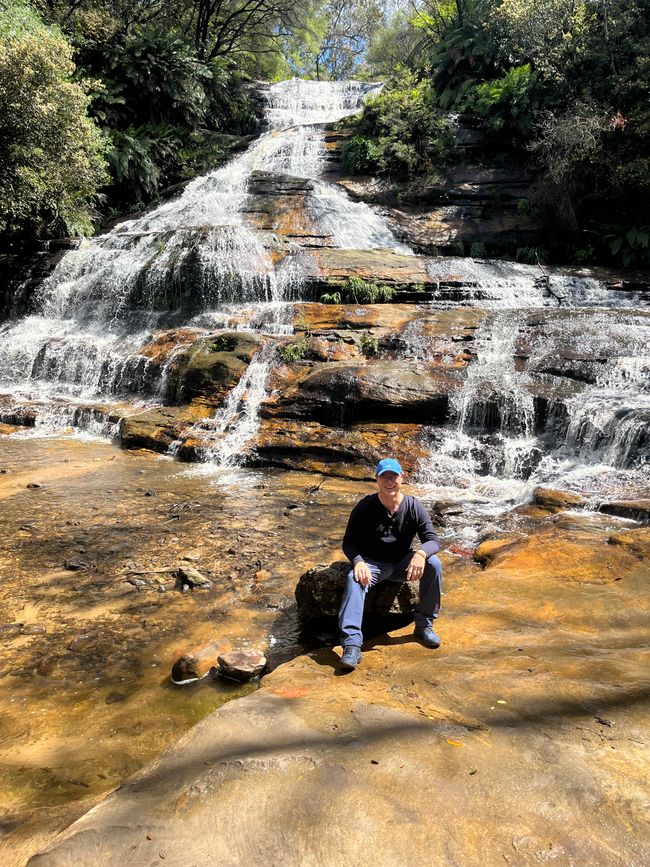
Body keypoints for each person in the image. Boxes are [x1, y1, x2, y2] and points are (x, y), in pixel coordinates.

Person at [338, 457, 442, 671]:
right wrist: (358, 562)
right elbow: (348, 542)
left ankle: (423, 626)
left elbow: (433, 540)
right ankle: (351, 644)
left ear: (401, 478)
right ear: (377, 479)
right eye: (384, 477)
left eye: (393, 477)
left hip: (402, 563)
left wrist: (420, 554)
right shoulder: (365, 506)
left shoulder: (414, 506)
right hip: (373, 565)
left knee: (434, 563)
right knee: (353, 578)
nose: (389, 482)